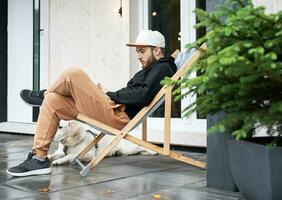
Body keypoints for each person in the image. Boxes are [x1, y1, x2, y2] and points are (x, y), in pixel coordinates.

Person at [7, 30, 177, 177]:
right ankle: (39, 158)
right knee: (53, 101)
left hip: (118, 116)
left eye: (141, 51)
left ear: (156, 51)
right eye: (137, 52)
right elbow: (137, 93)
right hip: (114, 108)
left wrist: (110, 95)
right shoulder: (152, 69)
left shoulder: (163, 68)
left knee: (73, 74)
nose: (138, 56)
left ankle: (44, 94)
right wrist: (110, 94)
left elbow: (142, 95)